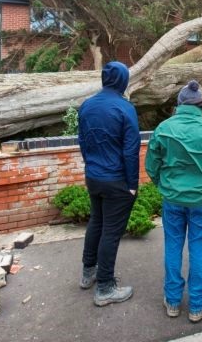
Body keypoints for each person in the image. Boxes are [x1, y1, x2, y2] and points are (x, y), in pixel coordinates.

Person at [145, 80, 202, 323]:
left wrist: (165, 186)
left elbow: (151, 165)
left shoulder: (163, 129)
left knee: (172, 247)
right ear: (201, 105)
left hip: (172, 199)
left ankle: (172, 301)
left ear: (179, 104)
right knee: (199, 249)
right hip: (201, 201)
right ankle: (197, 304)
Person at [77, 61, 141, 306]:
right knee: (111, 233)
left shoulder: (87, 105)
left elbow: (82, 141)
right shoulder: (125, 108)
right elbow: (130, 150)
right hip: (116, 180)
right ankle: (104, 287)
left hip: (93, 176)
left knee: (96, 223)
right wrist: (132, 184)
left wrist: (90, 165)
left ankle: (88, 273)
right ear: (122, 80)